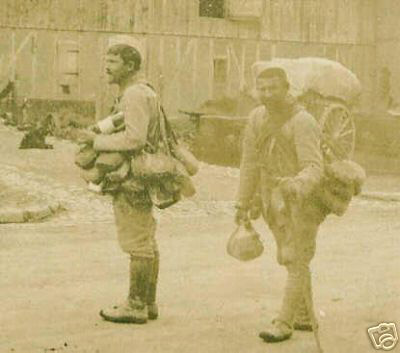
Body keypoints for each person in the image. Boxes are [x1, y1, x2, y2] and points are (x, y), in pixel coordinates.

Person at [235, 64, 327, 343]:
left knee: (296, 258)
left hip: (302, 201)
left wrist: (295, 185)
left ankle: (284, 322)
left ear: (287, 89)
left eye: (273, 88)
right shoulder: (256, 118)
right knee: (293, 258)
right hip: (271, 201)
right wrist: (243, 201)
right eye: (262, 89)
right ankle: (303, 315)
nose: (267, 94)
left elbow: (314, 167)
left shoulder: (303, 121)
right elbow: (249, 162)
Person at [79, 35, 161, 324]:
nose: (107, 68)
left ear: (130, 65)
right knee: (146, 238)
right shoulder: (142, 91)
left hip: (131, 177)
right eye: (107, 61)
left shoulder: (134, 94)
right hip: (140, 175)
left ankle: (136, 305)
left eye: (113, 62)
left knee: (137, 240)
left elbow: (135, 138)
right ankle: (147, 303)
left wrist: (96, 140)